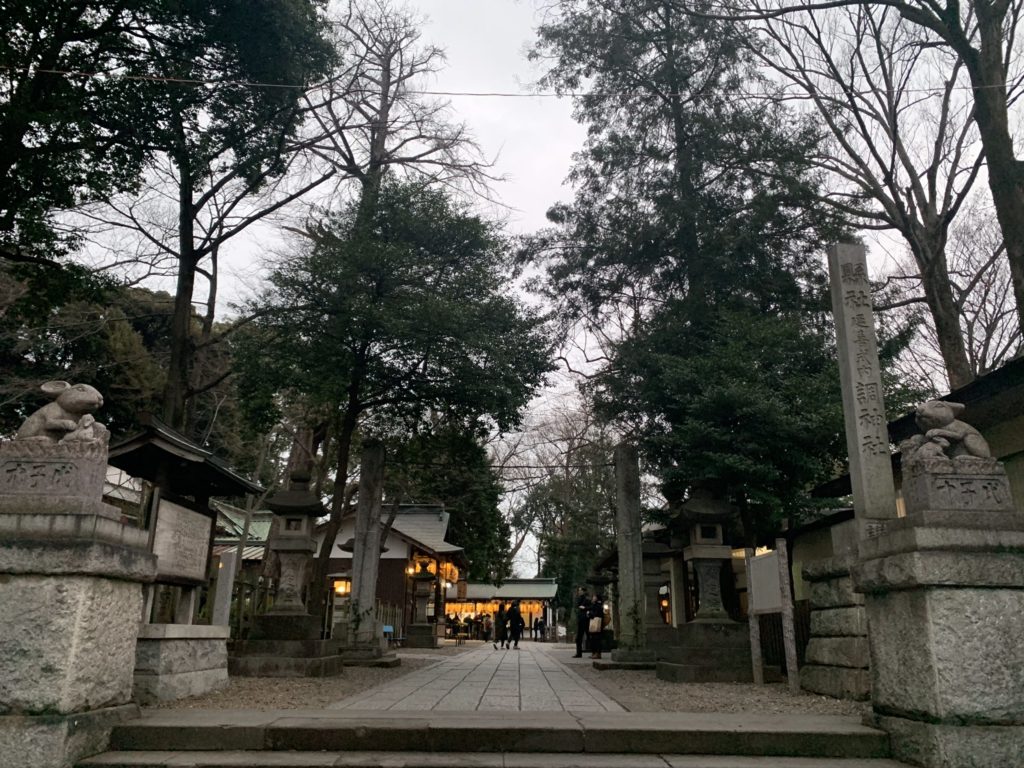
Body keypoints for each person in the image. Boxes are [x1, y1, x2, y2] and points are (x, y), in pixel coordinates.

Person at [587, 594, 605, 659]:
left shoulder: (598, 605)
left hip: (597, 623)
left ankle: (597, 653)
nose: (593, 598)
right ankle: (594, 653)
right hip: (597, 623)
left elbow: (595, 614)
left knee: (596, 639)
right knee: (594, 639)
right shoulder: (596, 605)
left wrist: (589, 614)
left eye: (594, 597)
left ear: (597, 598)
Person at [573, 587, 589, 658]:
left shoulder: (587, 599)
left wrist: (585, 608)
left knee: (588, 636)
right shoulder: (580, 598)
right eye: (579, 590)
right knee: (579, 637)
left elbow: (590, 607)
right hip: (581, 618)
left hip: (585, 619)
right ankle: (578, 653)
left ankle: (596, 652)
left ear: (583, 591)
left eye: (580, 590)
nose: (579, 591)